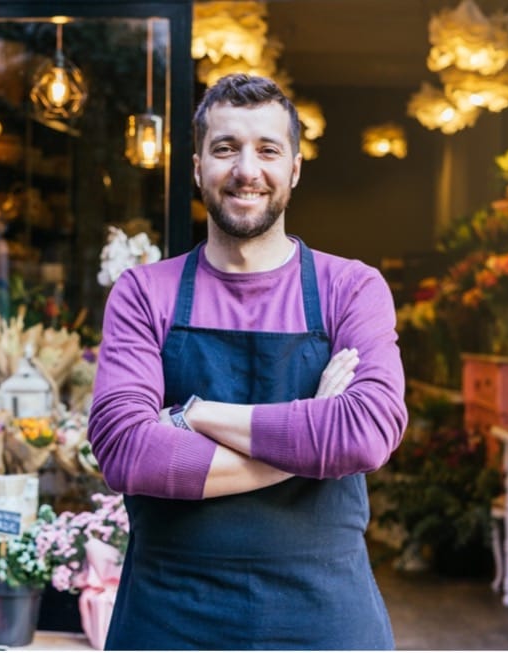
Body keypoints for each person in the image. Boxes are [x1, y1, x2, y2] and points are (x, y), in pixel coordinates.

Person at [87, 73, 407, 650]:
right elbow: (126, 451)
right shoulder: (143, 293)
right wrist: (311, 433)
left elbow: (365, 432)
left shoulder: (351, 289)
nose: (246, 170)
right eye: (225, 148)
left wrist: (196, 416)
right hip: (167, 616)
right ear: (197, 167)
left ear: (295, 169)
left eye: (267, 150)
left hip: (323, 616)